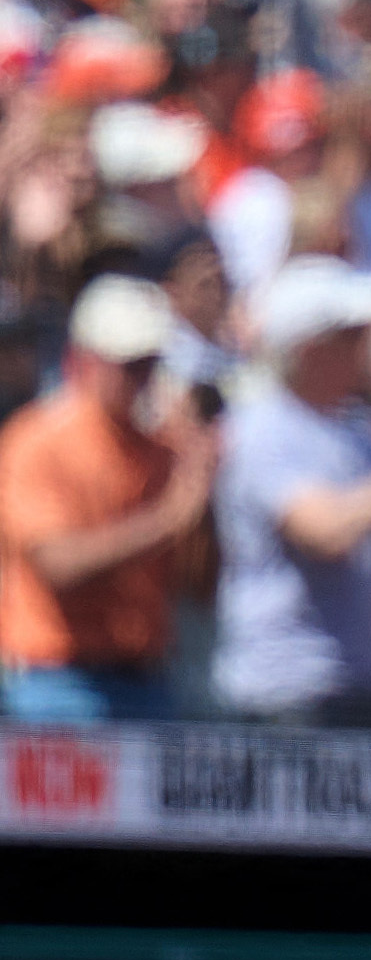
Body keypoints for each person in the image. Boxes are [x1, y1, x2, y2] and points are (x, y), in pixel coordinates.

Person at [214, 258, 371, 723]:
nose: (368, 344)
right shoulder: (264, 428)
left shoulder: (356, 430)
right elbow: (326, 532)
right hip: (288, 697)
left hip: (359, 682)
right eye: (352, 334)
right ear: (311, 350)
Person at [0, 277, 216, 721]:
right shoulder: (37, 440)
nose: (143, 378)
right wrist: (166, 520)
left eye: (150, 363)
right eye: (129, 364)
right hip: (58, 681)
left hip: (148, 678)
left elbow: (198, 584)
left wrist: (203, 487)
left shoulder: (164, 449)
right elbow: (57, 565)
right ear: (85, 361)